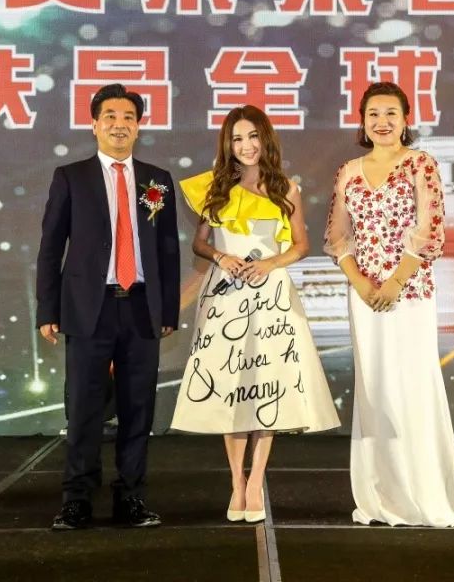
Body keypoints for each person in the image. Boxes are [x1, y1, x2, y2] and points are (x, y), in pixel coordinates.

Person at [172, 105, 339, 523]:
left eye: (252, 136)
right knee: (231, 386)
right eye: (237, 139)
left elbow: (301, 245)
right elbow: (200, 244)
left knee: (268, 388)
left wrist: (270, 263)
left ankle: (255, 482)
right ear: (228, 145)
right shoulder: (215, 188)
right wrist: (221, 257)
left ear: (265, 139)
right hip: (226, 297)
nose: (246, 146)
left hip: (272, 298)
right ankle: (236, 482)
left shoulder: (286, 189)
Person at [323, 81, 454, 528]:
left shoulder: (420, 164)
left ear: (406, 119)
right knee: (375, 390)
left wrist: (394, 282)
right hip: (364, 297)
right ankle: (381, 496)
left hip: (409, 294)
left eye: (391, 113)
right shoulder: (348, 171)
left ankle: (424, 495)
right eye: (373, 114)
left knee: (412, 385)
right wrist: (361, 283)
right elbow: (337, 237)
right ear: (362, 120)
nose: (382, 122)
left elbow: (431, 232)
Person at [37, 83, 179, 530]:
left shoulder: (157, 180)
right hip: (88, 308)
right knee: (84, 409)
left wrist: (168, 311)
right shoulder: (71, 177)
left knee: (138, 409)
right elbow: (51, 247)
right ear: (94, 124)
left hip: (140, 307)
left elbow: (168, 250)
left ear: (139, 126)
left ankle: (131, 498)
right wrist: (47, 310)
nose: (120, 125)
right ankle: (77, 500)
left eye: (128, 117)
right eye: (111, 117)